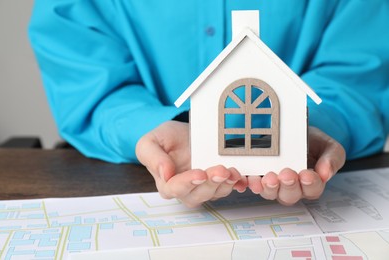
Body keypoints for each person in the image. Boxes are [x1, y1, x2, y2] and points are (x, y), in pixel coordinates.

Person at [29, 1, 389, 207]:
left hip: (312, 175)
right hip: (131, 177)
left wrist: (309, 126)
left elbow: (360, 63)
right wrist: (149, 127)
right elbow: (79, 62)